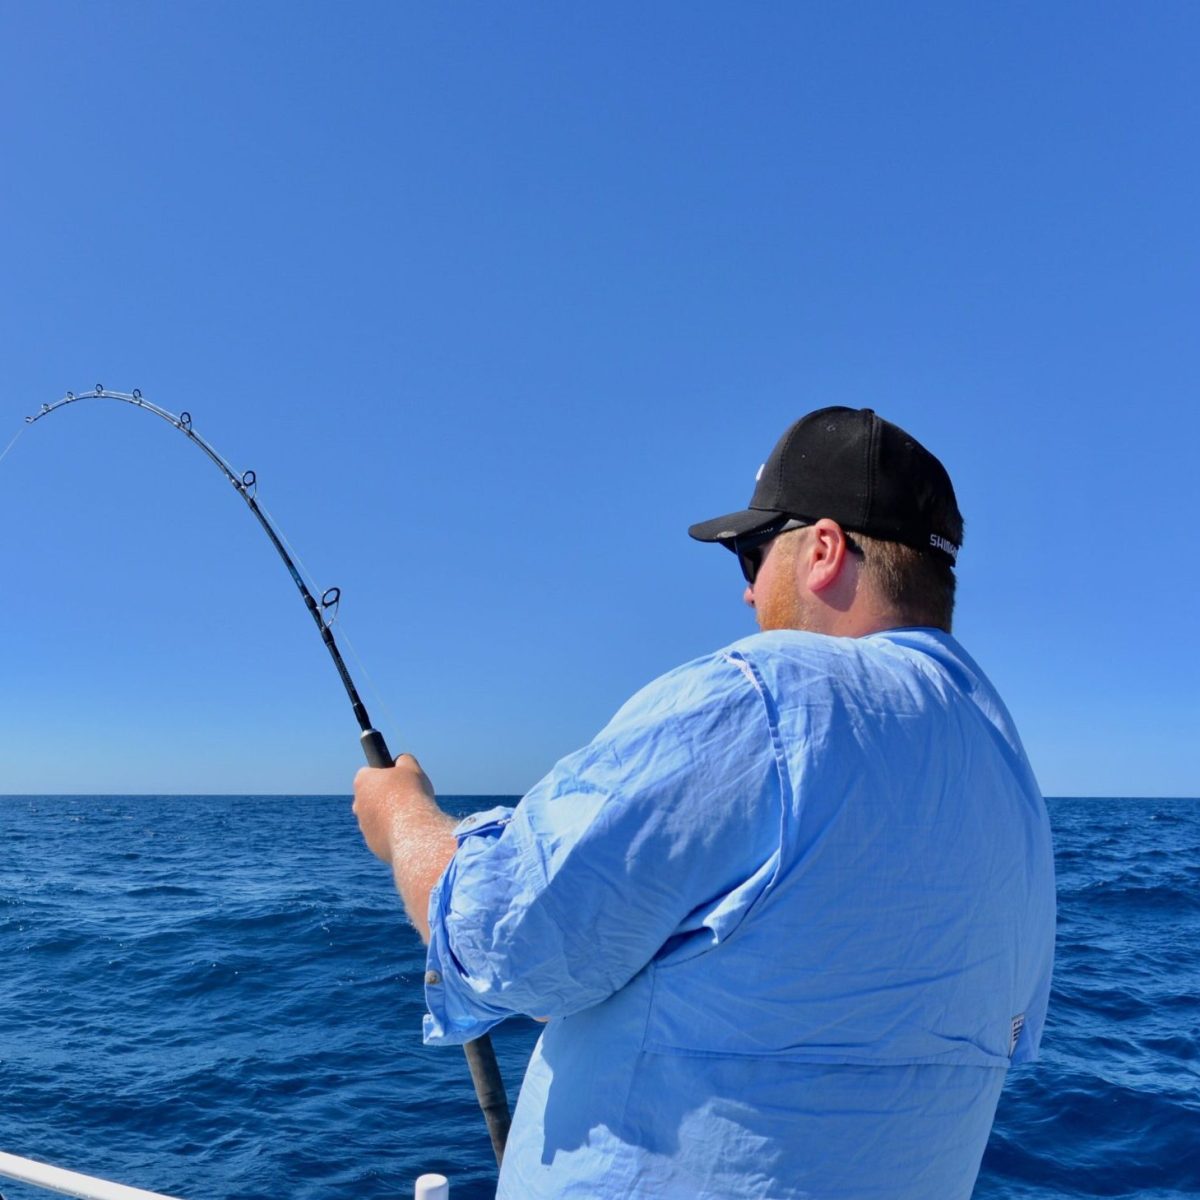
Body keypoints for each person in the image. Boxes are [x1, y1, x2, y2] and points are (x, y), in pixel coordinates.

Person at [353, 406, 1056, 1199]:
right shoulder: (1010, 780)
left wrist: (401, 818)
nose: (750, 595)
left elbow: (491, 936)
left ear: (823, 550)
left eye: (753, 557)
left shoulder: (765, 693)